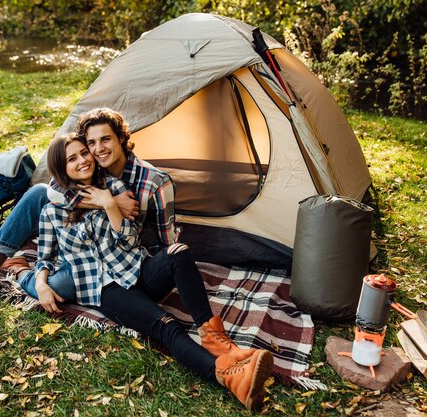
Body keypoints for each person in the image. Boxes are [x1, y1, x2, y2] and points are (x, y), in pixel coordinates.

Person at [25, 133, 274, 411]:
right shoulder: (51, 211)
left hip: (137, 269)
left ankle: (215, 339)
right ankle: (227, 376)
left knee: (178, 253)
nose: (84, 160)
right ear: (61, 167)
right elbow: (44, 257)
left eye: (84, 152)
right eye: (73, 158)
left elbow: (130, 240)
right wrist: (41, 283)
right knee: (166, 326)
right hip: (105, 290)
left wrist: (109, 204)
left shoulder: (114, 188)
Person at [0, 108, 169, 309]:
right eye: (91, 143)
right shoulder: (90, 165)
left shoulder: (152, 181)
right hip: (80, 245)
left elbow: (167, 242)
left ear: (121, 138)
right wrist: (108, 201)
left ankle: (19, 270)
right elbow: (52, 190)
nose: (98, 149)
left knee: (64, 285)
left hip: (119, 253)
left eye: (106, 139)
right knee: (38, 192)